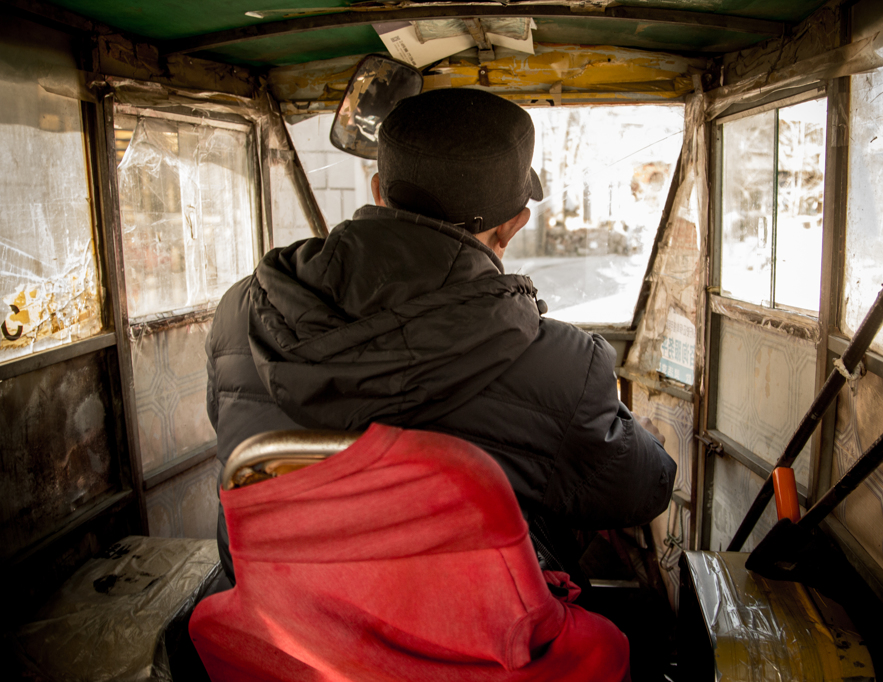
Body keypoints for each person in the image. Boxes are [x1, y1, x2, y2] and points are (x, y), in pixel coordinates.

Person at [206, 87, 676, 585]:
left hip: (275, 639)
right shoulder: (561, 367)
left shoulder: (241, 312)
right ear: (513, 227)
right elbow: (645, 491)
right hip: (464, 653)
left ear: (378, 192)